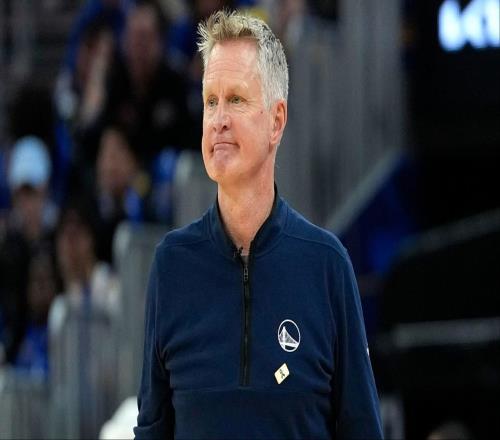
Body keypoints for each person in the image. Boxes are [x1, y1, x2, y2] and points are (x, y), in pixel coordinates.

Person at [134, 10, 382, 439]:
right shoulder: (171, 265)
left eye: (236, 100)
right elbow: (152, 430)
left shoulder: (326, 265)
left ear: (276, 121)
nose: (218, 119)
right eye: (210, 101)